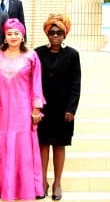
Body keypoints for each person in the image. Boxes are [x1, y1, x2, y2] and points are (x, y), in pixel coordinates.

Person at [0, 18, 45, 201]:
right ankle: (1, 189)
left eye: (16, 33)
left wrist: (36, 108)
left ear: (22, 36)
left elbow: (37, 83)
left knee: (22, 147)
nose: (13, 37)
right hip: (2, 109)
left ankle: (24, 190)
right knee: (3, 144)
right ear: (4, 37)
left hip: (23, 110)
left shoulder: (31, 56)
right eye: (9, 34)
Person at [37, 14, 81, 201]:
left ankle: (57, 183)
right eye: (52, 32)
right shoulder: (38, 52)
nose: (55, 35)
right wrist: (35, 107)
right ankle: (42, 182)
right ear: (47, 33)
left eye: (59, 32)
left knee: (60, 145)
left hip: (63, 110)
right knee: (43, 145)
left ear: (65, 34)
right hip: (43, 108)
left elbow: (76, 84)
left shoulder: (72, 54)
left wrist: (71, 109)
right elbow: (33, 81)